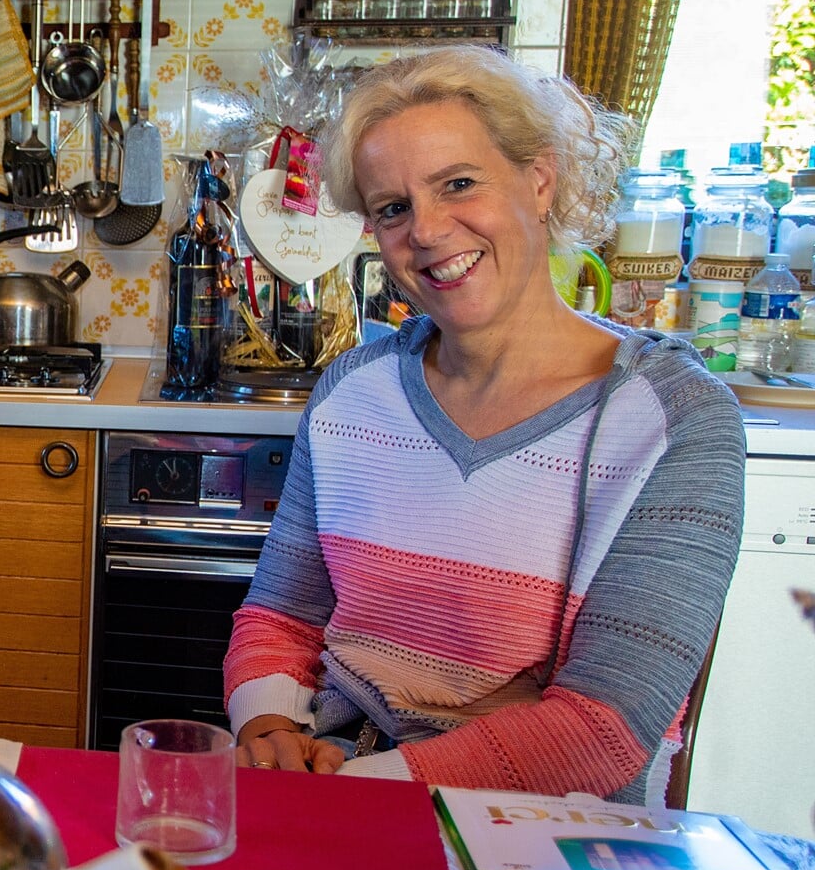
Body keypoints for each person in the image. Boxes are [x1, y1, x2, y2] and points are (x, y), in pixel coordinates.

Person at [221, 46, 744, 805]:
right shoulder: (351, 394)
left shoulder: (671, 418)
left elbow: (602, 730)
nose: (427, 232)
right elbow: (281, 617)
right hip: (343, 791)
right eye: (393, 208)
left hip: (549, 841)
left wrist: (361, 793)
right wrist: (265, 726)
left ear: (540, 180)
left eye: (458, 184)